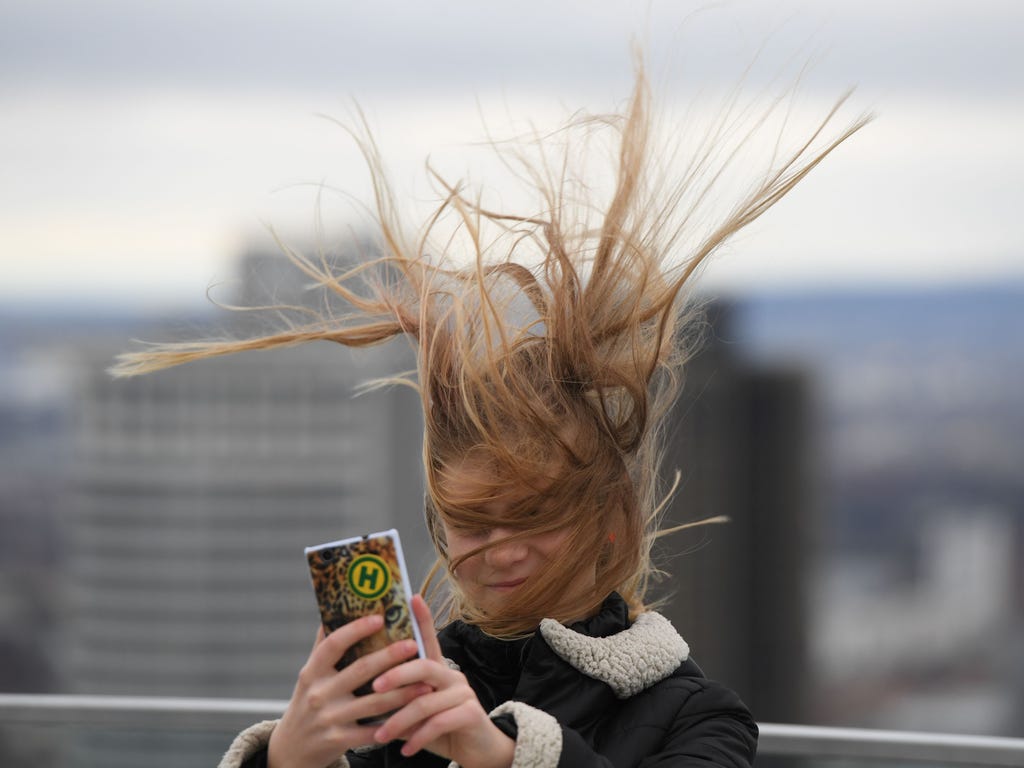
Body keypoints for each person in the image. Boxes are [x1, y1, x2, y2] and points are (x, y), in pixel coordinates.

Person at [112, 61, 869, 768]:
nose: (499, 551)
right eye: (472, 522)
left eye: (532, 516)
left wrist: (504, 755)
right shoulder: (398, 696)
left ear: (610, 517)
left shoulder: (700, 715)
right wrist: (291, 758)